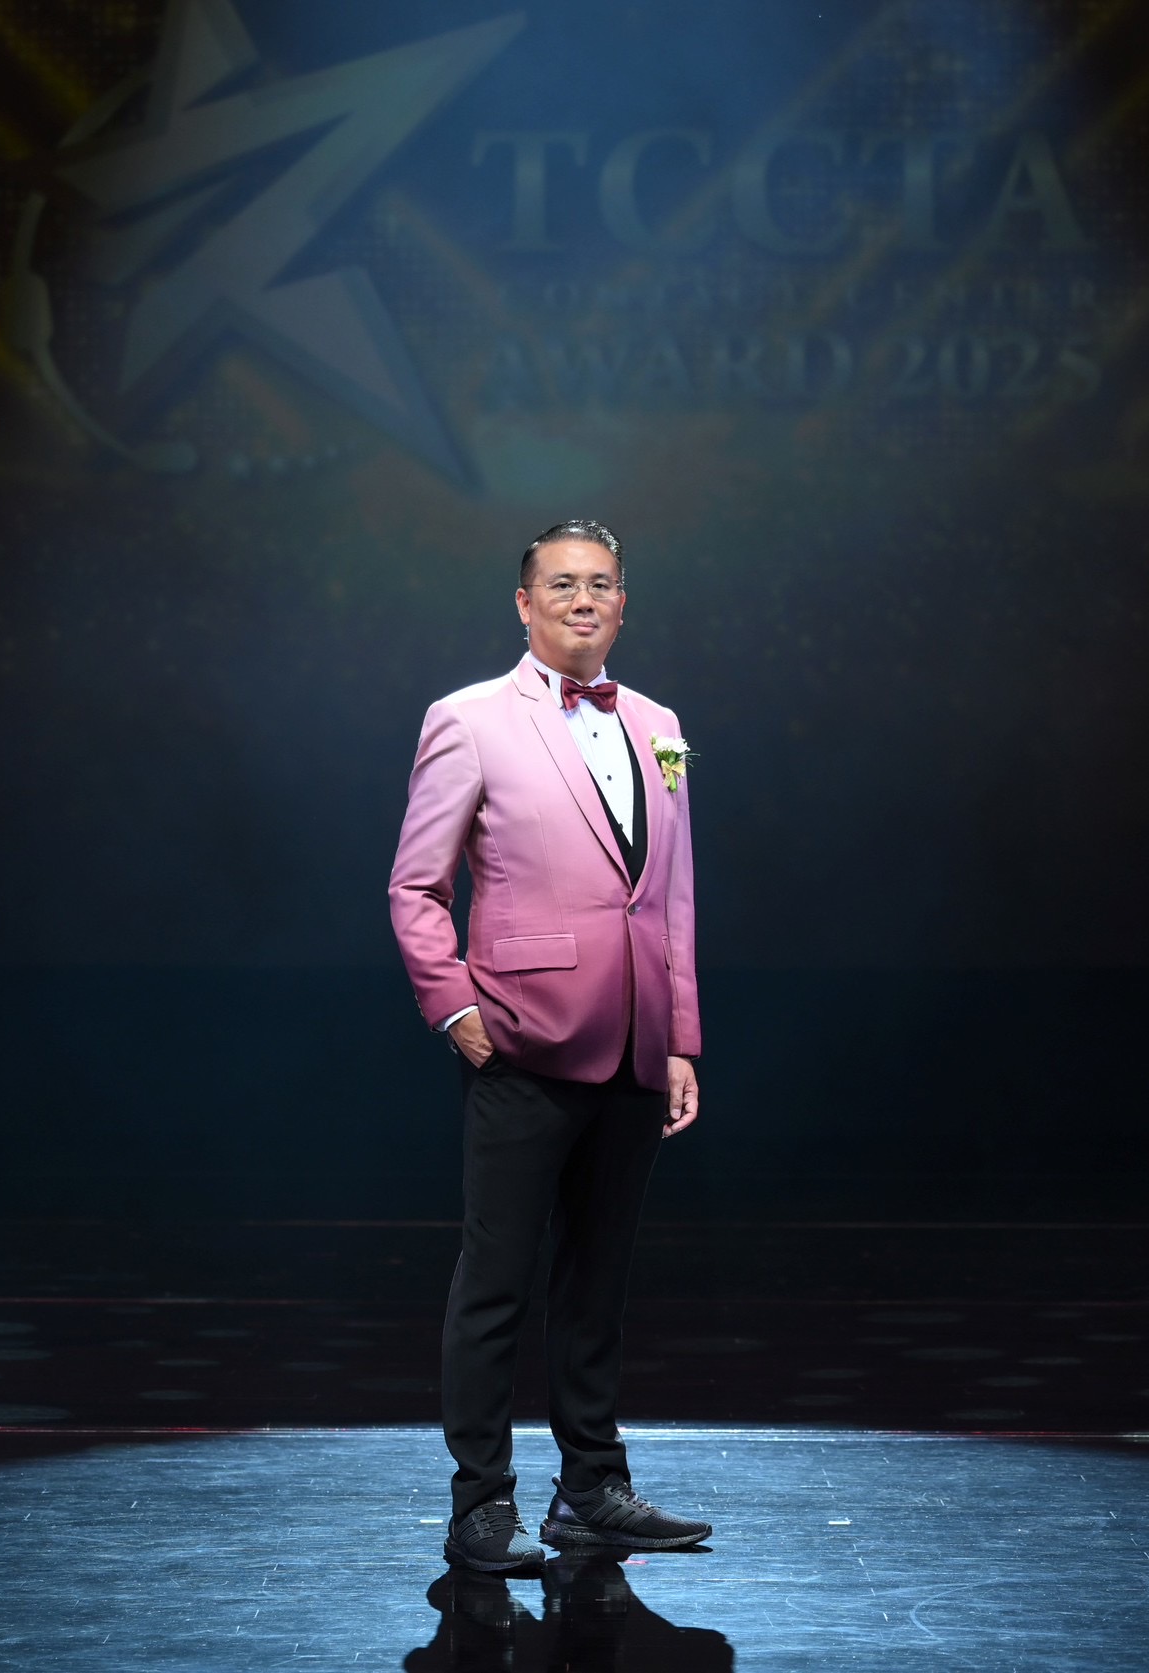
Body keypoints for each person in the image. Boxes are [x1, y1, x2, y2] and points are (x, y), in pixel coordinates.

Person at [388, 517, 713, 1572]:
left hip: (635, 1046)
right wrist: (455, 1010)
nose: (584, 598)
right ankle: (481, 1503)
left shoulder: (658, 723)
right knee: (496, 1281)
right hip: (521, 1042)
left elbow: (668, 896)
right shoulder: (469, 718)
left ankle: (592, 1489)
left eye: (602, 583)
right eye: (563, 583)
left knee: (597, 1282)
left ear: (623, 604)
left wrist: (679, 1037)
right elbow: (417, 885)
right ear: (524, 603)